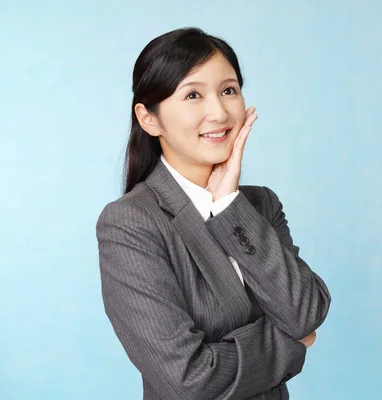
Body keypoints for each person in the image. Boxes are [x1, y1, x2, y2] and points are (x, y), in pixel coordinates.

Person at [96, 27, 331, 400]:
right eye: (193, 95)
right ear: (149, 119)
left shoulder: (259, 205)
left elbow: (306, 312)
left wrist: (228, 206)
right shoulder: (131, 223)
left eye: (228, 90)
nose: (219, 112)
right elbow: (188, 379)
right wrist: (293, 342)